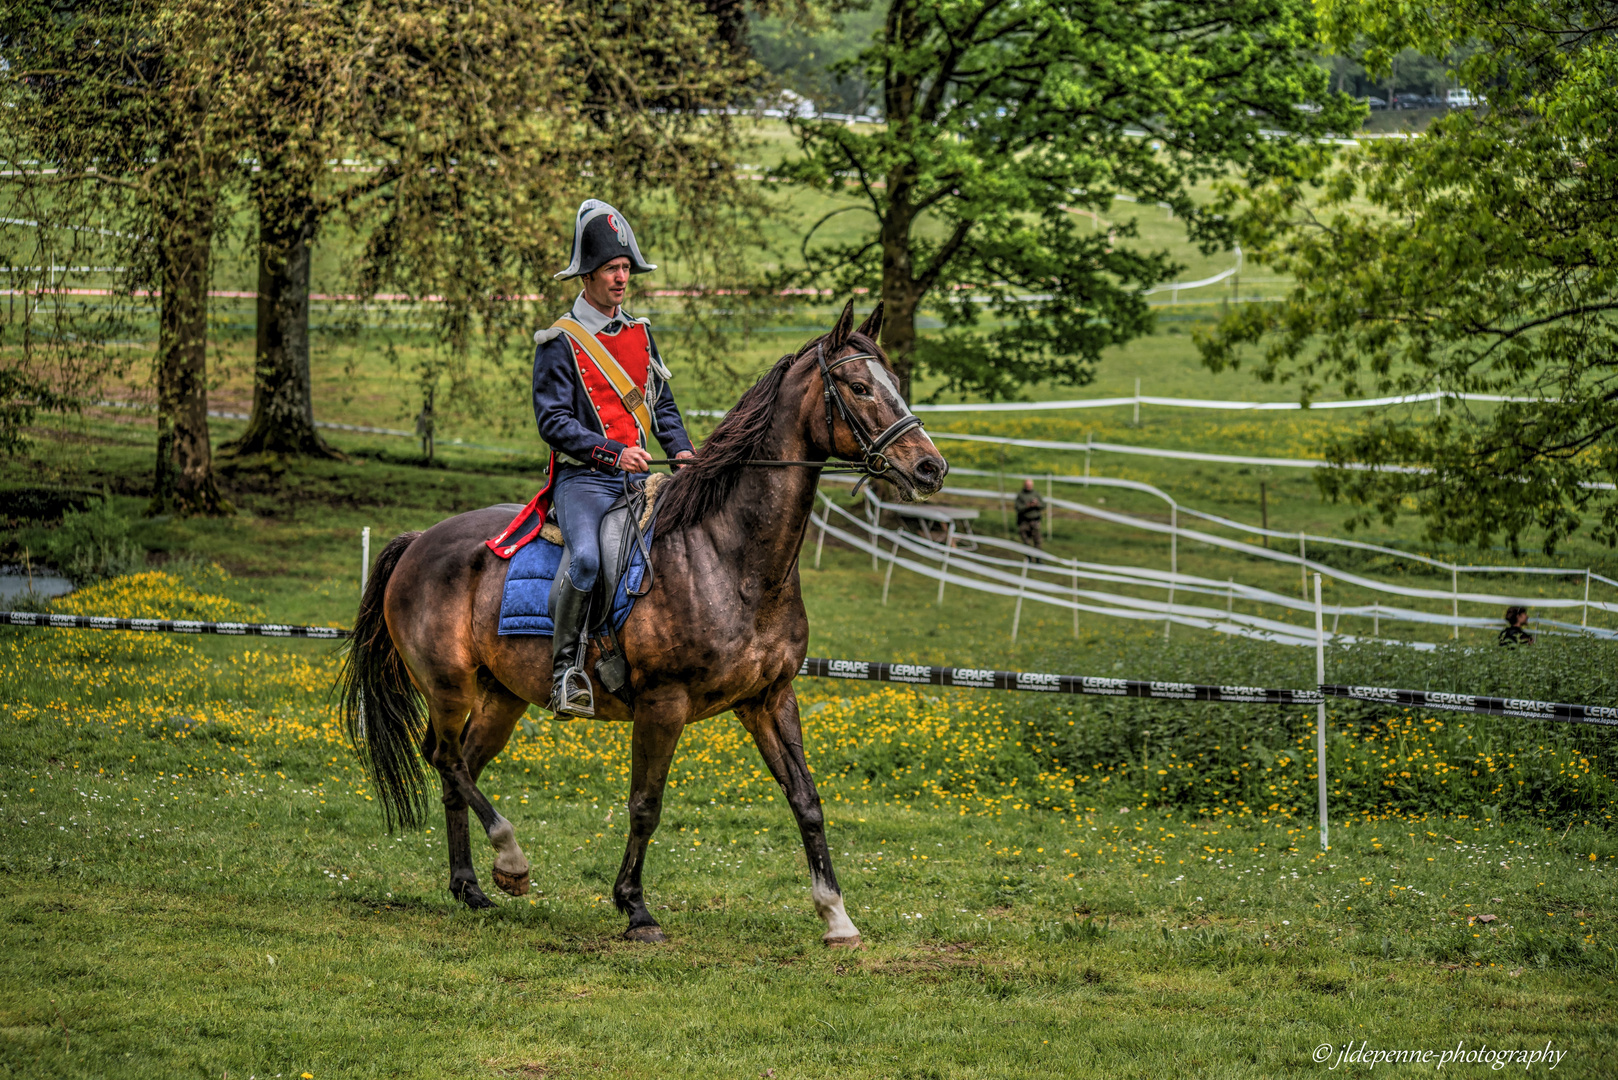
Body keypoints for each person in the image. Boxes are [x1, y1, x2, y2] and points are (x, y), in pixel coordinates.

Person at [531, 199, 695, 717]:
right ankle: (565, 673)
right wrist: (613, 452)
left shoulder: (642, 333)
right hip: (584, 481)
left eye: (627, 268)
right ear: (587, 277)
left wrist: (683, 451)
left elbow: (661, 406)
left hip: (642, 482)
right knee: (585, 559)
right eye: (612, 269)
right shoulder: (558, 341)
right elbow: (553, 423)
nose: (623, 278)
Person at [1014, 477, 1044, 551]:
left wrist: (1037, 504)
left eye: (1030, 485)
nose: (1029, 487)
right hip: (1024, 521)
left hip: (1035, 521)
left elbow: (1043, 505)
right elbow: (1017, 508)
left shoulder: (1036, 494)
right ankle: (1028, 558)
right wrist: (1027, 506)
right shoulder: (1021, 495)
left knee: (1037, 541)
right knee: (1026, 541)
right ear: (1024, 485)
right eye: (1027, 485)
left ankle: (1038, 559)